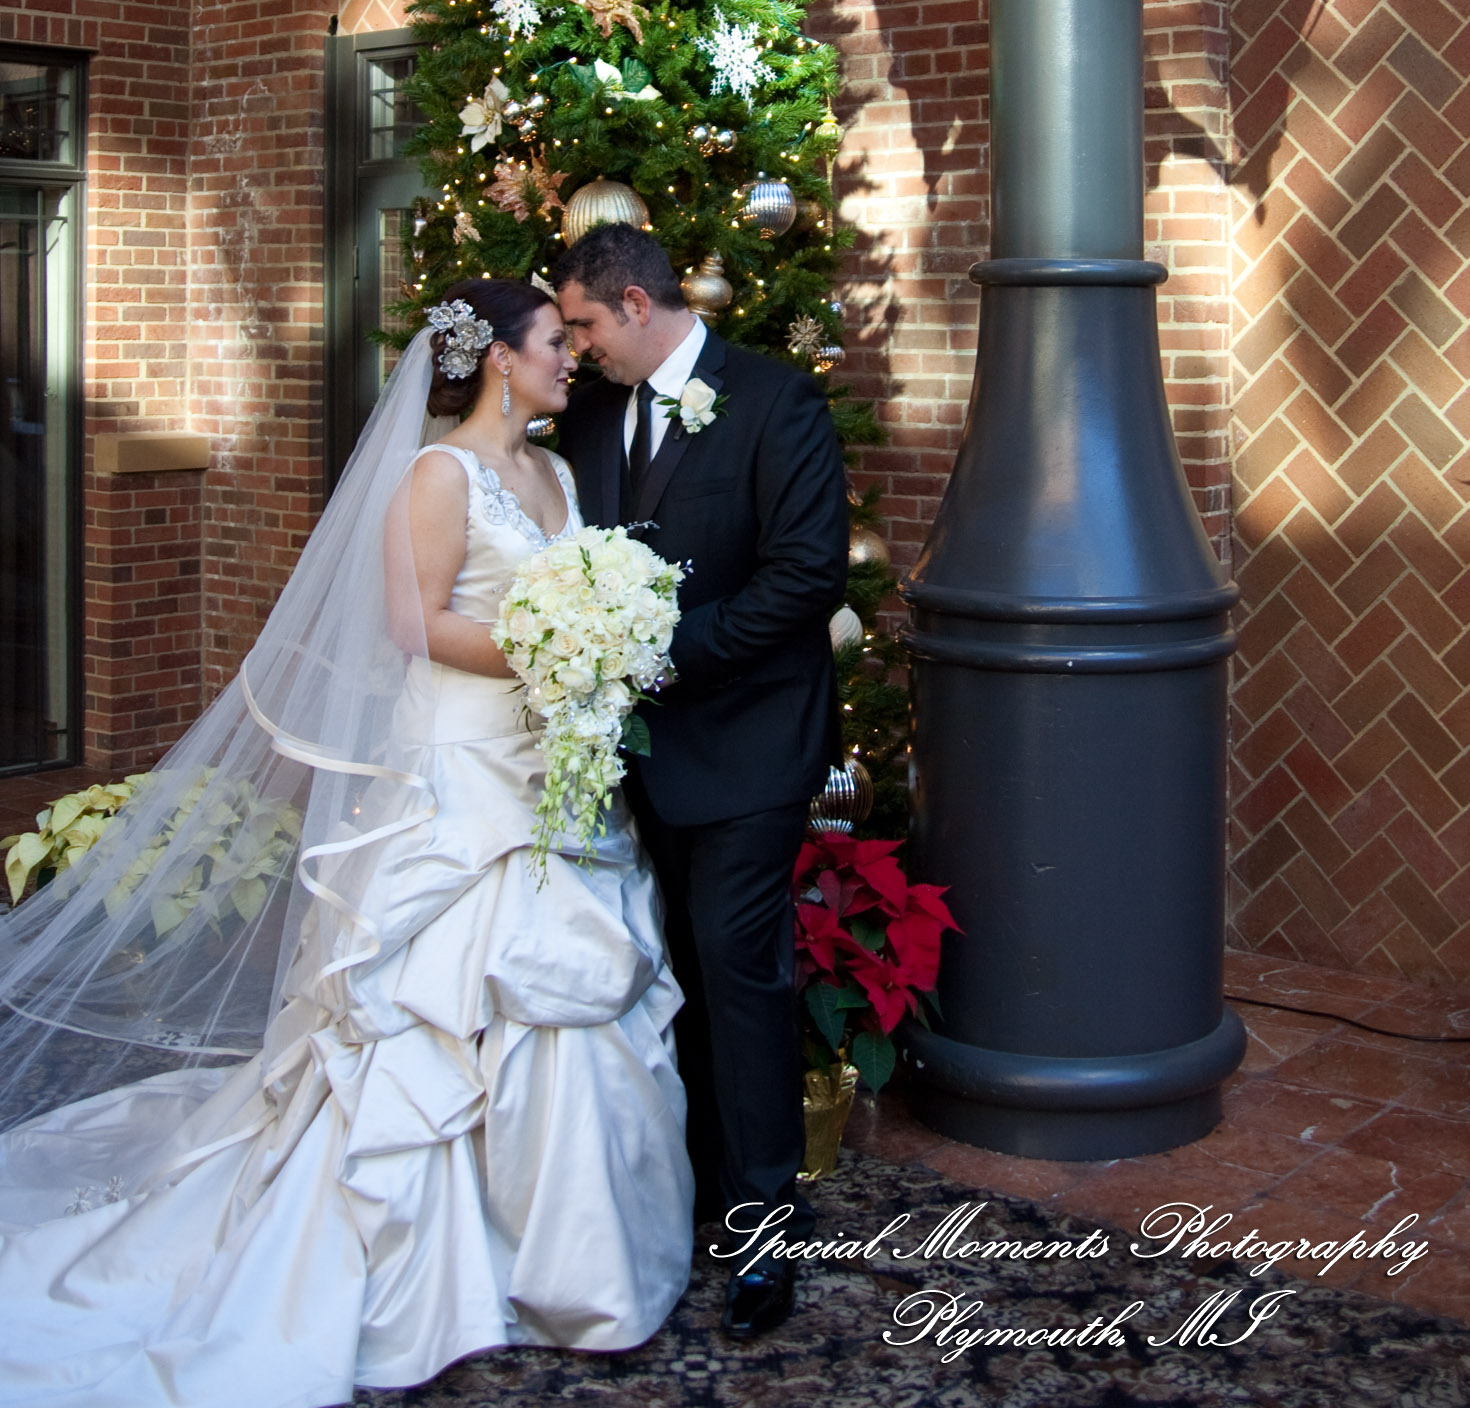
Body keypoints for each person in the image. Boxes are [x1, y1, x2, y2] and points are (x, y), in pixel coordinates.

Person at [0, 277, 693, 1406]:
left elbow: (568, 595)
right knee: (435, 1003)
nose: (569, 357)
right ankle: (434, 1260)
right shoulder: (439, 474)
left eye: (573, 341)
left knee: (570, 989)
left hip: (550, 772)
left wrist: (597, 644)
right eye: (550, 342)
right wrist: (558, 646)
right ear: (499, 361)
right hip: (464, 780)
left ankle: (565, 1257)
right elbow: (414, 623)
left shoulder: (560, 474)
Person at [554, 223, 849, 1338]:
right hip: (631, 758)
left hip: (751, 742)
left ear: (636, 303)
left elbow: (808, 573)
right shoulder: (587, 412)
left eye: (584, 322)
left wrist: (669, 650)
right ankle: (684, 1190)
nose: (577, 348)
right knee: (664, 967)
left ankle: (764, 1226)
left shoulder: (774, 402)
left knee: (738, 966)